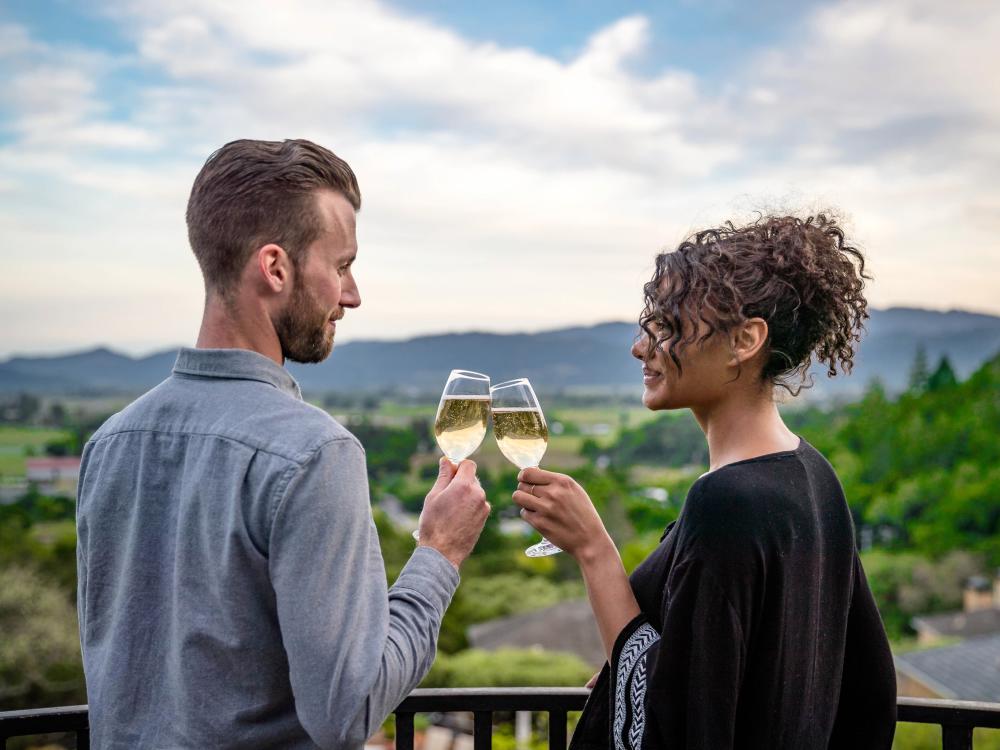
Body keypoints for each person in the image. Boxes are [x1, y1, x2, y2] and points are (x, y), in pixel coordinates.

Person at [75, 139, 490, 749]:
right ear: (275, 268)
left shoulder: (110, 443)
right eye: (341, 266)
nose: (351, 295)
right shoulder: (315, 453)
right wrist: (439, 554)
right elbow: (346, 712)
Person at [513, 215, 897, 749]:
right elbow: (867, 694)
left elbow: (675, 729)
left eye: (667, 327)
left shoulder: (726, 502)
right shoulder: (814, 475)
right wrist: (632, 670)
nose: (640, 348)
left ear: (744, 339)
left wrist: (593, 549)